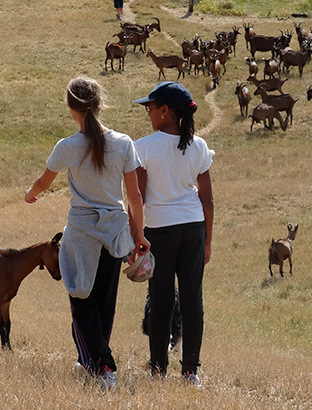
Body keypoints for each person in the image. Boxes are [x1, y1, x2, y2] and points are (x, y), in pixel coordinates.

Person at [25, 76, 150, 389]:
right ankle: (89, 363)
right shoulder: (123, 143)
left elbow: (43, 181)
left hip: (82, 234)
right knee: (104, 304)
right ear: (98, 104)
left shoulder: (67, 146)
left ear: (71, 107)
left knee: (82, 302)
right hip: (115, 232)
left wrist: (30, 194)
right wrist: (140, 234)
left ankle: (104, 365)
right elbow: (134, 196)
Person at [132, 81, 214, 386]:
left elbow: (137, 198)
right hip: (193, 229)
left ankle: (158, 369)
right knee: (193, 300)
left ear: (165, 112)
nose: (148, 113)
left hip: (159, 231)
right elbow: (207, 199)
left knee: (161, 300)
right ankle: (191, 372)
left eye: (150, 108)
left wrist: (136, 237)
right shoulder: (199, 146)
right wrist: (208, 240)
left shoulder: (143, 147)